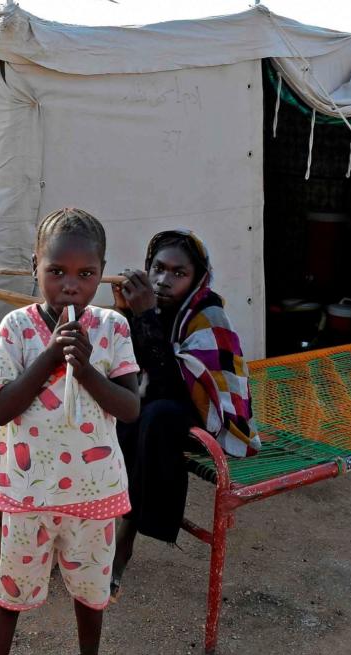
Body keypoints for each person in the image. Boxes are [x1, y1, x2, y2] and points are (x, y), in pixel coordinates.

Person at [0, 208, 140, 655]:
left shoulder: (113, 328)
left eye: (86, 274)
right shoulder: (15, 328)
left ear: (103, 273)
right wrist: (51, 357)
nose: (71, 285)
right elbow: (1, 409)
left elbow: (130, 408)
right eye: (57, 271)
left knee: (91, 592)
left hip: (93, 493)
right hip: (30, 493)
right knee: (11, 594)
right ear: (34, 268)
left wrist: (85, 368)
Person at [110, 229, 260, 598]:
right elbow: (125, 364)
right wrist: (127, 314)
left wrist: (144, 315)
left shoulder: (208, 312)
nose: (164, 280)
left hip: (208, 408)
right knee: (128, 416)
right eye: (158, 268)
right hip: (159, 405)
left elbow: (172, 384)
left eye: (179, 273)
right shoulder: (146, 304)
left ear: (197, 279)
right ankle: (113, 531)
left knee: (155, 414)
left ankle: (134, 535)